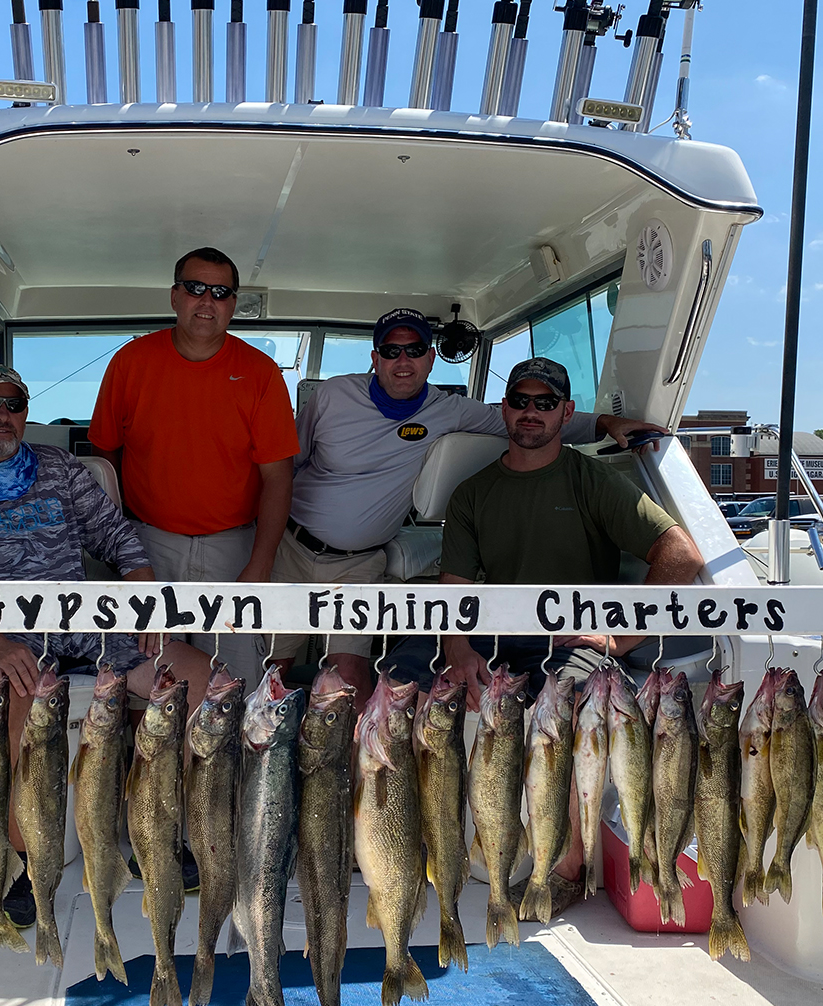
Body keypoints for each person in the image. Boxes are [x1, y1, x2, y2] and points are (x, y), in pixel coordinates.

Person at [391, 355, 704, 916]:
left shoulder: (591, 480)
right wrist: (458, 650)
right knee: (394, 689)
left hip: (571, 639)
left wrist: (622, 637)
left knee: (575, 708)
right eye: (520, 400)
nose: (530, 411)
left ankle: (565, 868)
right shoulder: (472, 493)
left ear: (566, 411)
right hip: (493, 631)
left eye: (544, 402)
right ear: (504, 408)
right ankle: (408, 847)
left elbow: (681, 554)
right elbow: (454, 592)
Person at [0, 364, 212, 926]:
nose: (3, 415)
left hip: (85, 625)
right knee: (20, 704)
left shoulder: (58, 467)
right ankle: (21, 863)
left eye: (15, 405)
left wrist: (146, 605)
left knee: (202, 685)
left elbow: (119, 540)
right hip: (3, 635)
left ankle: (156, 832)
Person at [269, 308, 667, 710]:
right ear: (375, 358)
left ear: (431, 358)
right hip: (290, 545)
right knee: (275, 667)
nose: (403, 360)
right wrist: (456, 647)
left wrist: (606, 423)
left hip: (361, 563)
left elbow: (675, 549)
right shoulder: (334, 396)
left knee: (351, 679)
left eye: (415, 350)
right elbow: (286, 465)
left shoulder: (453, 412)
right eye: (391, 351)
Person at [88, 247, 300, 689]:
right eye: (195, 288)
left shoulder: (261, 373)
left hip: (234, 550)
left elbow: (278, 477)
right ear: (174, 296)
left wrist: (260, 565)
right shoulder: (130, 362)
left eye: (220, 292)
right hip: (148, 546)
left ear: (233, 304)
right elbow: (104, 458)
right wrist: (122, 548)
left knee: (235, 688)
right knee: (144, 683)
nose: (207, 301)